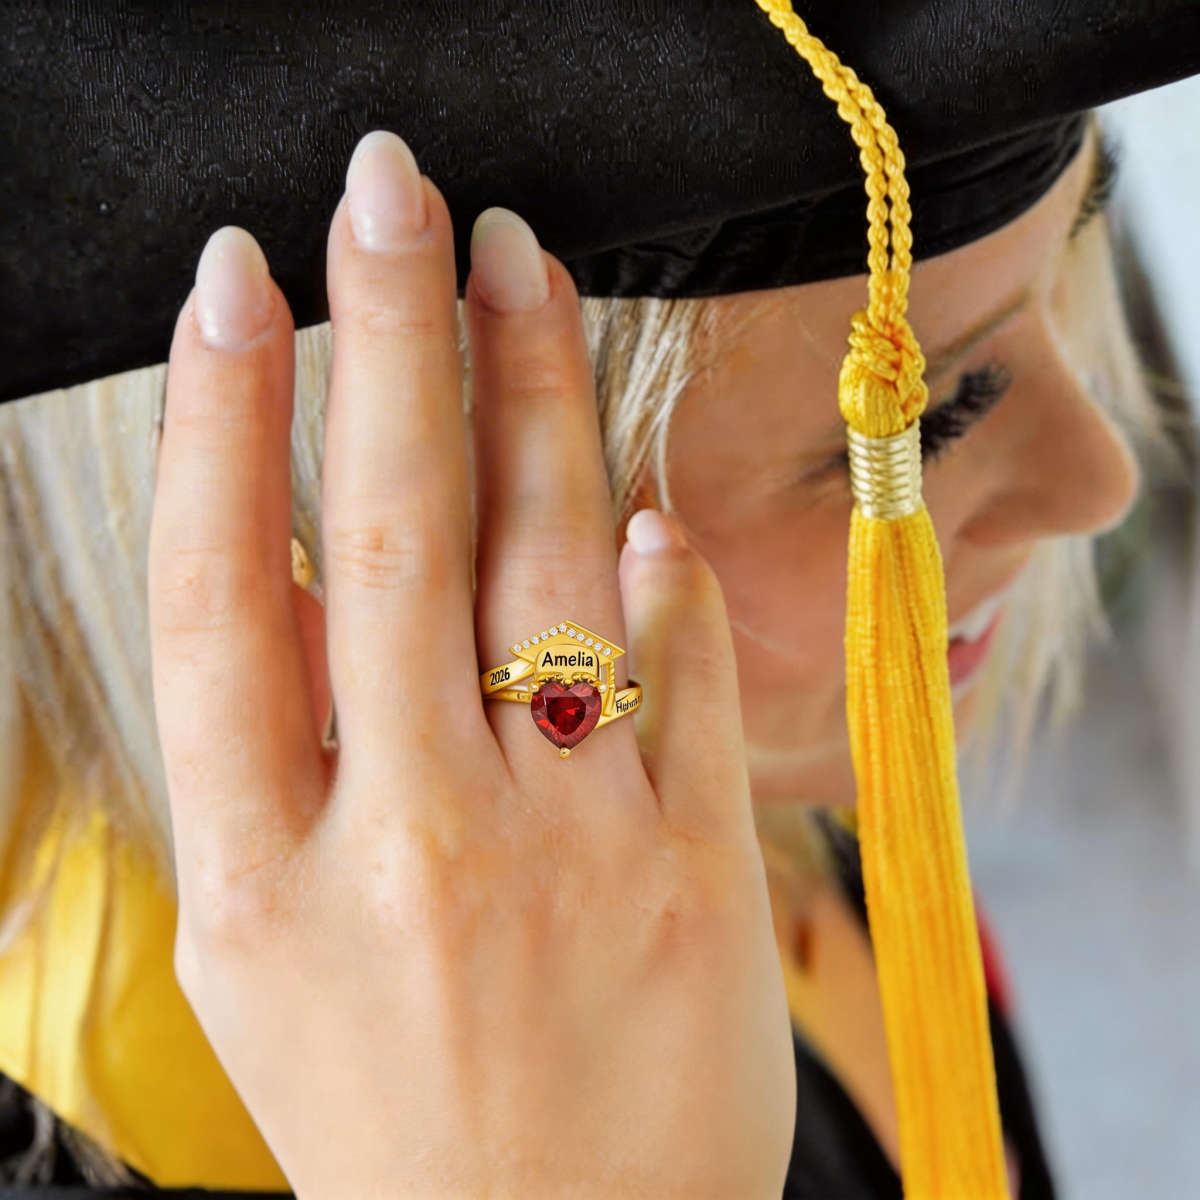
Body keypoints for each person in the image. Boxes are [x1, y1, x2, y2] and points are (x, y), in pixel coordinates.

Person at [0, 1, 1197, 1196]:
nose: (1098, 482)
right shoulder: (144, 1131)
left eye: (1069, 270)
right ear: (372, 520)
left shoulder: (742, 786)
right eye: (924, 427)